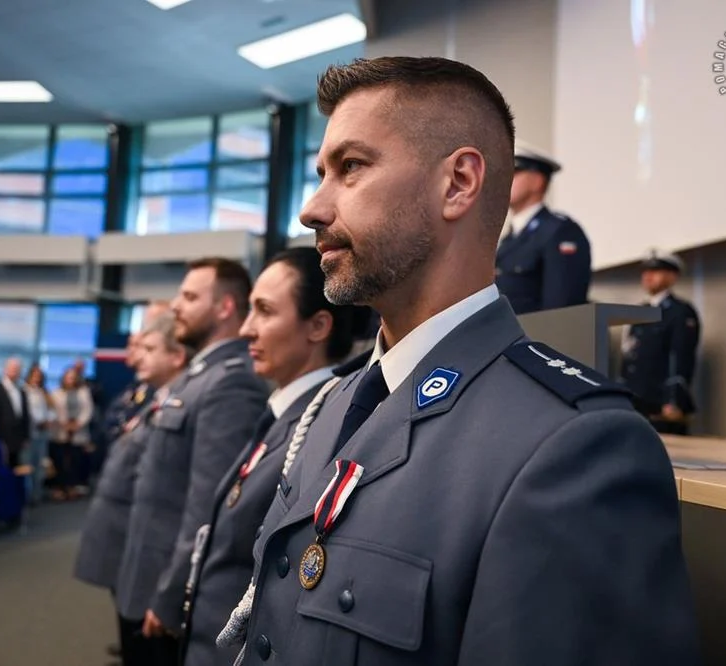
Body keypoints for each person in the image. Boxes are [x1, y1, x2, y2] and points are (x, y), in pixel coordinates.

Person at [221, 56, 698, 665]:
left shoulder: (576, 448)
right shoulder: (334, 404)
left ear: (457, 184)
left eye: (351, 167)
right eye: (322, 174)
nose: (311, 208)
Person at [182, 247, 368, 666]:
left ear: (318, 326)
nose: (246, 329)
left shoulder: (321, 426)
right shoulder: (283, 414)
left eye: (264, 311)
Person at [115, 257, 269, 666]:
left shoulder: (230, 381)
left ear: (224, 307)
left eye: (189, 296)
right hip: (148, 572)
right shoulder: (200, 374)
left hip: (169, 585)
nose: (175, 306)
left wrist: (170, 595)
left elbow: (209, 508)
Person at [74, 312, 192, 666]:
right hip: (128, 527)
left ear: (177, 356)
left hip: (152, 537)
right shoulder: (154, 396)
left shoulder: (182, 397)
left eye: (149, 348)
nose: (137, 356)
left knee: (149, 643)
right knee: (132, 630)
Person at [494, 142, 592, 314]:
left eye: (514, 173)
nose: (504, 181)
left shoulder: (560, 231)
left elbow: (560, 310)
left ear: (537, 182)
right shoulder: (509, 239)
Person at [620, 250, 701, 435]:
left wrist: (674, 399)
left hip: (661, 406)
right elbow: (629, 356)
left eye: (655, 271)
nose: (648, 276)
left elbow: (681, 357)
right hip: (636, 402)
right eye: (645, 271)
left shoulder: (680, 312)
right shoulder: (640, 311)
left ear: (672, 276)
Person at [49, 367, 94, 501]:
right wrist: (64, 424)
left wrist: (78, 424)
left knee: (75, 460)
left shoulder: (84, 392)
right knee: (60, 461)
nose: (70, 380)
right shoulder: (56, 393)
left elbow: (88, 410)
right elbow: (54, 411)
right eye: (68, 377)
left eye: (73, 378)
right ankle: (60, 488)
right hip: (60, 431)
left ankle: (73, 487)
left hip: (78, 432)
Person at [0, 358, 31, 469]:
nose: (15, 371)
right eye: (12, 368)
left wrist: (26, 437)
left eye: (17, 369)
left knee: (17, 471)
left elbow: (25, 416)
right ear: (4, 369)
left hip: (18, 443)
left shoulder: (22, 392)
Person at [23, 364, 53, 504]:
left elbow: (51, 410)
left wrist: (48, 420)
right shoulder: (24, 391)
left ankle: (37, 494)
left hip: (43, 434)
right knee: (28, 464)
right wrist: (38, 422)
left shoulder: (44, 392)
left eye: (39, 376)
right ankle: (27, 495)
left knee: (40, 464)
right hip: (30, 434)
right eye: (35, 375)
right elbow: (25, 412)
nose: (37, 378)